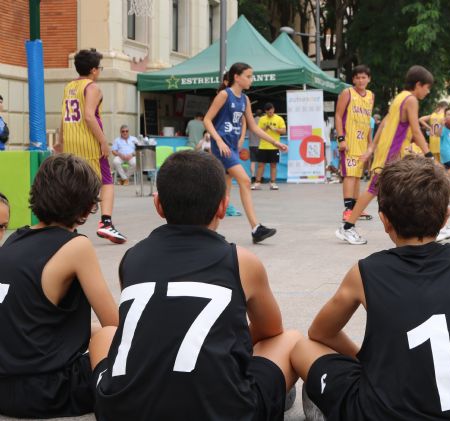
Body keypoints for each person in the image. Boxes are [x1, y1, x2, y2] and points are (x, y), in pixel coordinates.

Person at [92, 151, 301, 420]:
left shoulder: (131, 258)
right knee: (291, 339)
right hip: (221, 411)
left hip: (122, 411)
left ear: (159, 206)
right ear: (223, 207)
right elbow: (271, 329)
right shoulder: (241, 261)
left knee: (104, 333)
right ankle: (274, 392)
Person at [293, 155, 450, 420]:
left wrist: (361, 358)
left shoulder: (365, 271)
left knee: (300, 347)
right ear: (446, 216)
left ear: (384, 220)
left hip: (383, 412)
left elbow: (320, 332)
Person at [0, 154, 118, 418]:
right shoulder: (76, 246)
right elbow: (114, 322)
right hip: (47, 393)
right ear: (87, 208)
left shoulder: (14, 240)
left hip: (5, 390)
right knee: (110, 335)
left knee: (95, 330)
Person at [335, 65, 434, 245]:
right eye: (427, 88)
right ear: (419, 84)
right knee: (373, 189)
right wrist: (429, 155)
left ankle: (424, 227)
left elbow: (383, 124)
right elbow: (416, 130)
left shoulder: (399, 97)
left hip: (392, 153)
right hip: (390, 154)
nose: (427, 92)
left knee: (404, 190)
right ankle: (347, 227)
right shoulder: (411, 100)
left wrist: (371, 148)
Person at [203, 62, 287, 243]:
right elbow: (207, 120)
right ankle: (256, 228)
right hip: (222, 147)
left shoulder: (245, 100)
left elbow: (253, 127)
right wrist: (217, 140)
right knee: (245, 180)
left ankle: (209, 232)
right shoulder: (224, 95)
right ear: (236, 77)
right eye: (248, 76)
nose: (251, 79)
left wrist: (274, 142)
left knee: (223, 194)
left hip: (231, 147)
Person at [54, 48, 127, 244]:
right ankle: (106, 223)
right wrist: (103, 141)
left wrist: (60, 142)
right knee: (106, 181)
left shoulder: (69, 86)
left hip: (71, 141)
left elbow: (63, 117)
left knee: (74, 184)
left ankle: (67, 226)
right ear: (94, 70)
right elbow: (88, 116)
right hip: (88, 143)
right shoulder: (92, 88)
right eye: (100, 68)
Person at [335, 65, 375, 221]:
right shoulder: (347, 93)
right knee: (350, 175)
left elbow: (368, 121)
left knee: (357, 176)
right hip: (349, 140)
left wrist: (370, 143)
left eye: (364, 77)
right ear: (353, 79)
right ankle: (348, 209)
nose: (361, 80)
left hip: (362, 141)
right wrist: (341, 138)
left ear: (369, 79)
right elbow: (338, 116)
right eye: (357, 77)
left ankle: (357, 208)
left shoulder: (371, 96)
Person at [254, 103, 286, 191]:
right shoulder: (262, 119)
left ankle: (272, 183)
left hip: (274, 147)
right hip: (263, 146)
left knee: (273, 165)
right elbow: (257, 131)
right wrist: (266, 128)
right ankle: (257, 183)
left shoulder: (279, 119)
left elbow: (284, 131)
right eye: (268, 112)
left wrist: (274, 129)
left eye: (271, 111)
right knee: (260, 165)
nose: (270, 113)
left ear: (273, 109)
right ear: (265, 111)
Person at [249, 109, 264, 183]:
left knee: (253, 161)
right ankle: (260, 177)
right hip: (260, 144)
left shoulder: (251, 121)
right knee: (261, 162)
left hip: (252, 144)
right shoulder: (262, 121)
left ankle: (252, 177)